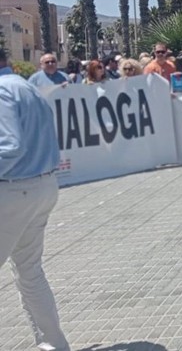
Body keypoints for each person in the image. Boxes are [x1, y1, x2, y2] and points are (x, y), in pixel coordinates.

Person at [0, 49, 72, 351]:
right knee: (30, 271)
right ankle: (53, 344)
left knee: (29, 272)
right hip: (42, 184)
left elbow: (8, 146)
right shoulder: (28, 86)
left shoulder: (3, 91)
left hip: (13, 190)